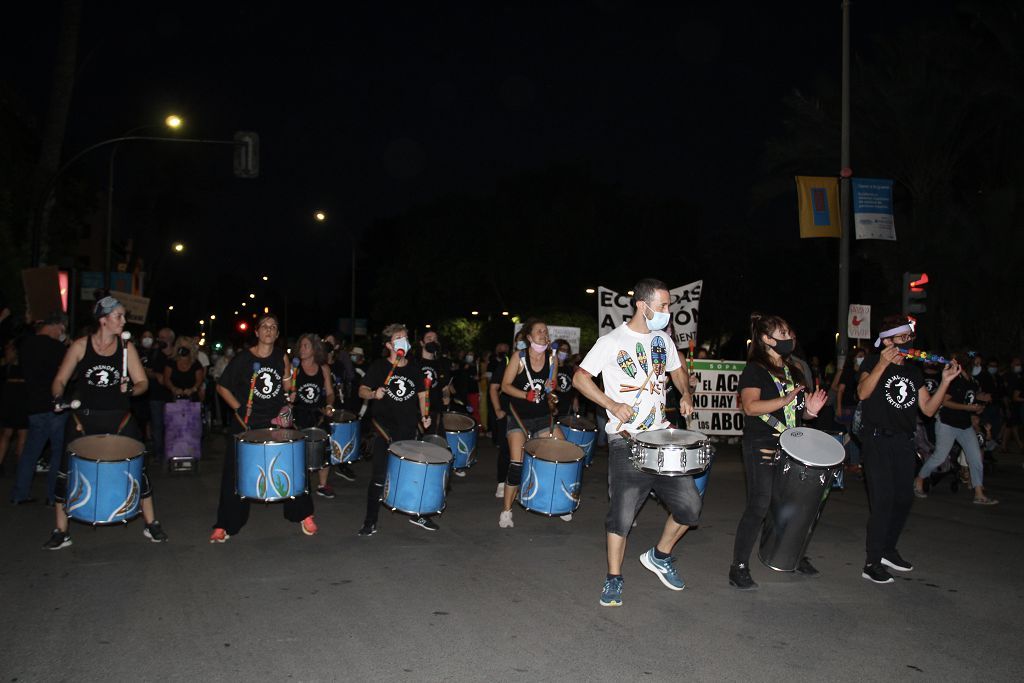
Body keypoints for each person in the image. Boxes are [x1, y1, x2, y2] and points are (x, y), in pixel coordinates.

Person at [573, 279, 697, 607]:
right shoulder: (611, 341)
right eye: (664, 306)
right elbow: (580, 378)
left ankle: (660, 555)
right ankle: (614, 578)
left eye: (669, 306)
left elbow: (677, 369)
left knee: (690, 507)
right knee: (622, 515)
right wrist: (612, 405)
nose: (668, 312)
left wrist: (685, 392)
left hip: (661, 438)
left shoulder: (663, 340)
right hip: (626, 441)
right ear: (643, 306)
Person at [44, 296, 168, 549]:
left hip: (120, 419)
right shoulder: (80, 346)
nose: (123, 320)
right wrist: (58, 397)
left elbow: (143, 383)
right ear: (103, 320)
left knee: (138, 469)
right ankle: (61, 530)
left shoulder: (126, 348)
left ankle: (151, 523)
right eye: (118, 316)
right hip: (83, 420)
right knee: (65, 472)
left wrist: (130, 390)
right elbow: (59, 380)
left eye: (123, 316)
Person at [728, 314, 828, 590]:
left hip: (790, 446)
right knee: (759, 504)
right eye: (783, 333)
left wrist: (810, 411)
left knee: (791, 506)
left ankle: (790, 556)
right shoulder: (755, 370)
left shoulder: (792, 369)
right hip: (761, 443)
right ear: (766, 339)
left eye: (789, 332)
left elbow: (796, 414)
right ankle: (738, 567)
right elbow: (750, 407)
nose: (790, 338)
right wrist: (783, 399)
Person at [856, 315, 957, 583]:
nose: (908, 342)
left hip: (903, 441)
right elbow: (863, 393)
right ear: (887, 341)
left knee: (904, 499)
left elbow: (928, 409)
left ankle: (888, 550)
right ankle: (872, 562)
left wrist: (946, 381)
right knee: (883, 502)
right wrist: (882, 363)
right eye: (903, 338)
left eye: (909, 338)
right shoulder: (871, 362)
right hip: (877, 440)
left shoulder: (913, 371)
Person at [209, 313, 316, 542]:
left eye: (273, 327)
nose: (268, 330)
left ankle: (303, 514)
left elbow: (287, 386)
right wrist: (238, 409)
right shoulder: (242, 359)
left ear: (277, 334)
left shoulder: (281, 357)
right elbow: (222, 387)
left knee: (295, 464)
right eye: (264, 326)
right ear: (257, 332)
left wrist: (291, 393)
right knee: (234, 473)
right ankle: (226, 524)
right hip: (246, 422)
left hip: (275, 422)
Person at [357, 324, 432, 535]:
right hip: (384, 430)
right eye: (399, 338)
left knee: (414, 474)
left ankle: (418, 514)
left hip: (408, 430)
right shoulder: (379, 367)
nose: (404, 341)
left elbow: (422, 395)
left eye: (405, 337)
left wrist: (425, 416)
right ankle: (370, 521)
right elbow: (362, 390)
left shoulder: (414, 367)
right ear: (389, 344)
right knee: (379, 476)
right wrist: (373, 394)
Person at [498, 318, 564, 528]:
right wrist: (524, 395)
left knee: (562, 453)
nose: (544, 334)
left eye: (546, 331)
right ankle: (506, 511)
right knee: (516, 464)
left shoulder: (553, 358)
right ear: (529, 337)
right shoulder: (519, 357)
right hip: (519, 418)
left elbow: (551, 387)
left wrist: (550, 391)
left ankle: (560, 502)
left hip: (543, 418)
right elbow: (505, 386)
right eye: (539, 331)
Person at [914, 351, 999, 505]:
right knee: (939, 457)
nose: (978, 364)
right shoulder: (954, 379)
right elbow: (945, 402)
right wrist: (968, 408)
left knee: (975, 458)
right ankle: (919, 480)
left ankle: (979, 493)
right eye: (975, 362)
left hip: (964, 425)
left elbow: (971, 396)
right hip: (947, 422)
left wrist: (980, 401)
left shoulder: (973, 381)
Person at [10, 313, 69, 505]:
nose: (62, 333)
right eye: (62, 329)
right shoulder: (57, 347)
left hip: (34, 405)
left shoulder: (26, 345)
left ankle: (20, 494)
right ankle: (53, 496)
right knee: (58, 452)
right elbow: (67, 374)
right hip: (55, 406)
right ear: (56, 326)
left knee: (30, 452)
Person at [291, 333, 337, 498]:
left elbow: (330, 393)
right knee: (298, 450)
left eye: (306, 346)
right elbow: (286, 389)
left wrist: (329, 405)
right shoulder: (294, 367)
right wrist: (289, 396)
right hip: (299, 413)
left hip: (318, 413)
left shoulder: (324, 368)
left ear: (314, 349)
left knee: (324, 448)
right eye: (301, 346)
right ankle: (298, 483)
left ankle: (322, 485)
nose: (302, 349)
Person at [487, 340, 512, 498]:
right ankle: (502, 482)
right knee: (506, 449)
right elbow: (494, 387)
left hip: (529, 414)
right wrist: (498, 410)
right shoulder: (508, 361)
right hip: (508, 412)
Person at [0, 339, 28, 477]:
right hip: (21, 397)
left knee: (7, 433)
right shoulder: (27, 362)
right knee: (22, 434)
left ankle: (10, 465)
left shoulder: (9, 364)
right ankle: (20, 469)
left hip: (11, 397)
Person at [163, 336, 206, 401]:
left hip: (191, 399)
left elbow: (199, 381)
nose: (183, 348)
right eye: (181, 346)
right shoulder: (170, 362)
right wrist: (173, 389)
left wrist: (192, 389)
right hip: (173, 399)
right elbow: (166, 379)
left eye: (186, 346)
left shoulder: (196, 364)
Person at [553, 338, 579, 418]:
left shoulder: (569, 368)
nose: (564, 352)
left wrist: (575, 399)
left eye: (566, 350)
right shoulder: (550, 367)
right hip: (554, 407)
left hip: (567, 408)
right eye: (562, 349)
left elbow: (574, 387)